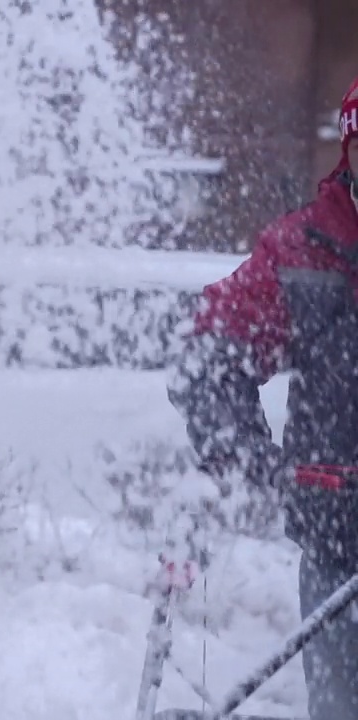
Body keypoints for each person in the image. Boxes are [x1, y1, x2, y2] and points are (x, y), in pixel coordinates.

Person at [168, 76, 358, 720]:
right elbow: (210, 357)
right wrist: (253, 458)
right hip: (341, 548)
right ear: (349, 148)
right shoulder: (305, 251)